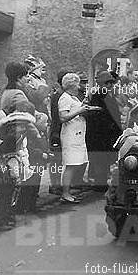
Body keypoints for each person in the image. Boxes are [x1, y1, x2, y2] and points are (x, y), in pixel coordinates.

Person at [59, 73, 97, 204]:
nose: (79, 86)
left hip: (78, 135)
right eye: (78, 83)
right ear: (72, 85)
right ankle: (65, 193)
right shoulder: (64, 98)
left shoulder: (72, 97)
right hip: (70, 136)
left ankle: (68, 191)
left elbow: (76, 110)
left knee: (76, 163)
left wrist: (85, 107)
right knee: (70, 165)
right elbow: (63, 117)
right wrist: (80, 111)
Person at [85, 71, 121, 192]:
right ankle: (99, 184)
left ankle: (101, 183)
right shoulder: (99, 96)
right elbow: (97, 117)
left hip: (106, 134)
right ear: (101, 84)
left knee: (104, 160)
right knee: (100, 160)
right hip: (100, 134)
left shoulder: (106, 95)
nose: (110, 85)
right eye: (107, 83)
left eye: (111, 82)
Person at [48, 69, 71, 195]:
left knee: (59, 159)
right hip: (57, 131)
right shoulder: (58, 96)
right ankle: (54, 185)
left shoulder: (60, 95)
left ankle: (57, 184)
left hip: (58, 130)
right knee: (56, 159)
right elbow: (56, 116)